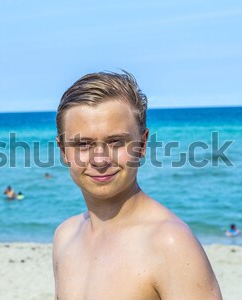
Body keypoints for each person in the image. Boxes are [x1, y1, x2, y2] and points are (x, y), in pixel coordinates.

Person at [53, 71, 222, 300]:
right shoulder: (65, 237)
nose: (100, 159)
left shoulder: (169, 243)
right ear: (64, 151)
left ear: (142, 144)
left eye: (116, 142)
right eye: (83, 144)